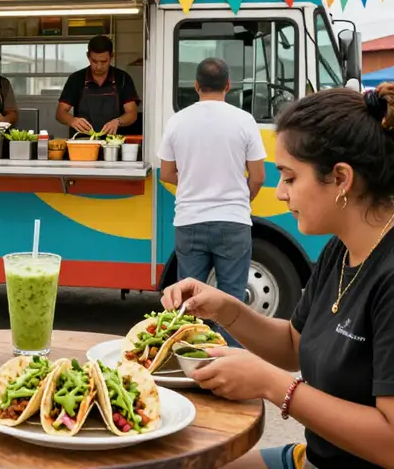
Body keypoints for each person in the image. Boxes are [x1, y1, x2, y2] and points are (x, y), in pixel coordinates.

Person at [162, 83, 394, 469]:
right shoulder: (342, 248)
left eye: (289, 177)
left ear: (341, 179)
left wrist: (273, 385)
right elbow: (293, 344)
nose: (281, 193)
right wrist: (225, 310)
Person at [158, 57, 266, 347]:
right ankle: (228, 371)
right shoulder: (244, 120)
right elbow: (258, 176)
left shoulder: (177, 121)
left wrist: (194, 183)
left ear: (196, 86)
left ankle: (189, 363)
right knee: (231, 303)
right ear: (228, 86)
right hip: (233, 222)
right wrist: (241, 196)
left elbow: (166, 173)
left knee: (189, 303)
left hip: (190, 222)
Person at [55, 35, 140, 136]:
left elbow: (132, 113)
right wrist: (72, 120)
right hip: (83, 143)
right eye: (94, 61)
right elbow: (60, 113)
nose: (99, 67)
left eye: (104, 62)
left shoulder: (123, 78)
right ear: (88, 56)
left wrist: (118, 122)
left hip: (113, 143)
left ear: (111, 56)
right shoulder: (76, 79)